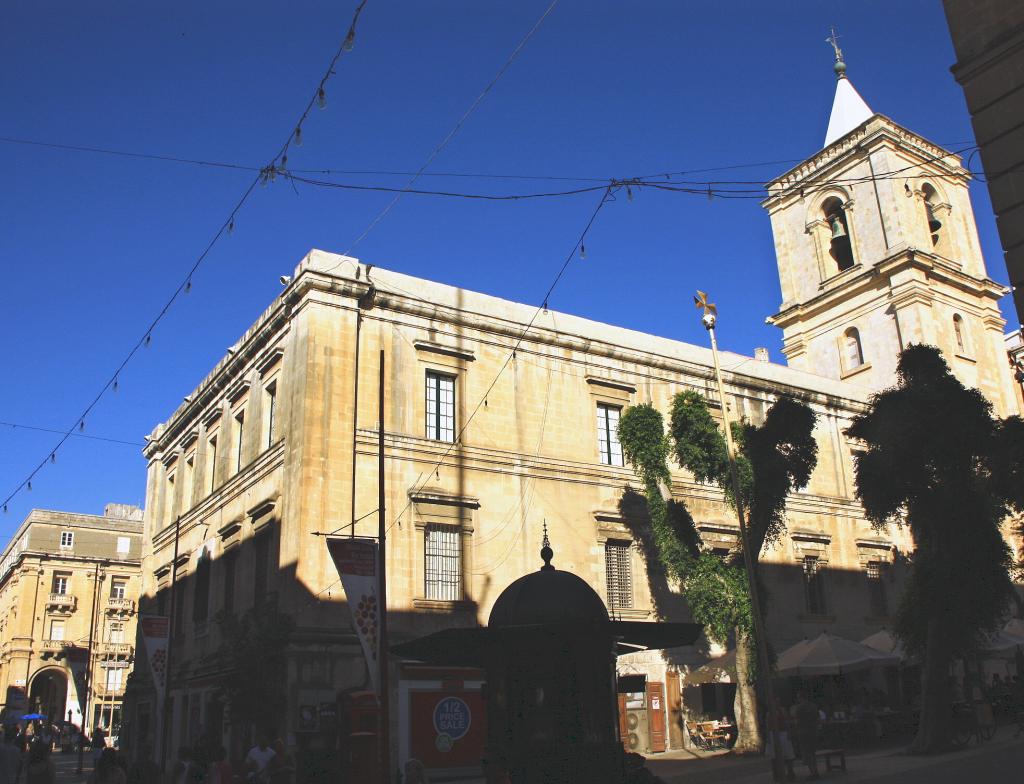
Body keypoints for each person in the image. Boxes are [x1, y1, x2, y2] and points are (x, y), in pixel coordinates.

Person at [764, 702, 796, 783]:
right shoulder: (769, 713)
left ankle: (790, 772)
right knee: (774, 755)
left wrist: (789, 732)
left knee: (788, 754)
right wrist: (768, 737)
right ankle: (777, 774)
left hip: (783, 732)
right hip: (773, 733)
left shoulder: (782, 711)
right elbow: (767, 725)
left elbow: (786, 722)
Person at [793, 690, 820, 781]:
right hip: (813, 731)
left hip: (803, 732)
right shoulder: (813, 706)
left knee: (807, 753)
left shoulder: (799, 708)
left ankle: (813, 772)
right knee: (812, 752)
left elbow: (796, 720)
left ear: (801, 697)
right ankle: (815, 771)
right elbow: (817, 717)